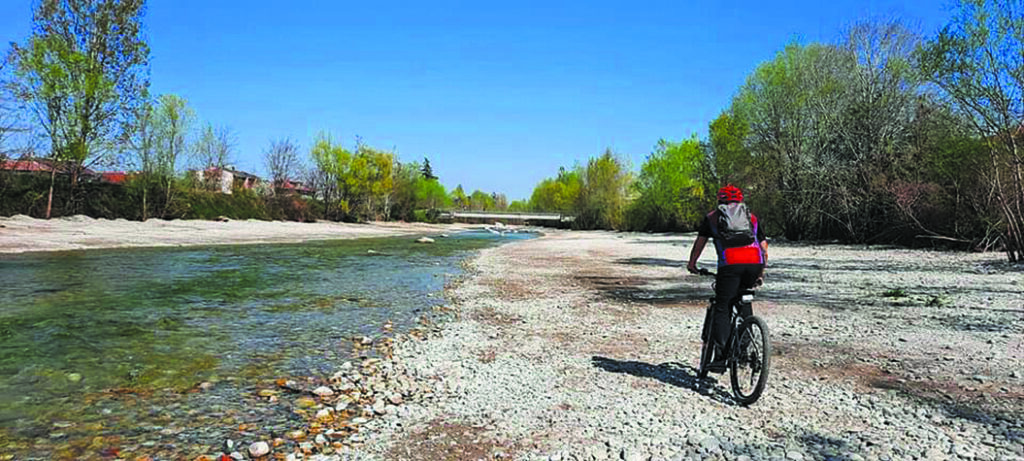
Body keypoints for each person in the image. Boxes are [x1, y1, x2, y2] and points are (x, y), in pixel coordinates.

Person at [686, 184, 767, 372]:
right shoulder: (751, 218)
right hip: (754, 263)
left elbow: (699, 245)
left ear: (720, 200)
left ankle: (721, 357)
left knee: (723, 306)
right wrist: (760, 272)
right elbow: (764, 247)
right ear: (740, 200)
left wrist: (692, 264)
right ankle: (745, 349)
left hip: (730, 265)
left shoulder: (712, 218)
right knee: (744, 301)